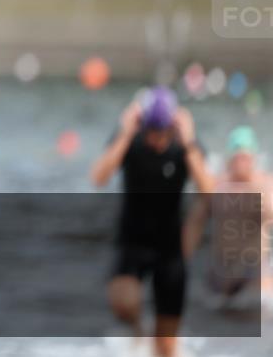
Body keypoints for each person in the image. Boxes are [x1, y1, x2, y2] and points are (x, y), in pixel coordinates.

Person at [90, 87, 215, 357]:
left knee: (167, 347)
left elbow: (209, 193)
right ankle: (139, 332)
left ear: (173, 126)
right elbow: (98, 178)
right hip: (132, 242)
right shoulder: (130, 139)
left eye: (163, 133)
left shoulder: (185, 145)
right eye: (151, 132)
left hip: (170, 249)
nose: (157, 139)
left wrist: (189, 141)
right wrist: (124, 133)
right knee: (124, 303)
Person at [183, 126, 273, 301]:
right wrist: (184, 258)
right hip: (223, 268)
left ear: (254, 159)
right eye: (237, 157)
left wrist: (252, 190)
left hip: (255, 267)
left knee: (265, 294)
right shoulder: (218, 185)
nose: (241, 163)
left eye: (246, 157)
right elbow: (195, 222)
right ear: (229, 160)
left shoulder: (268, 183)